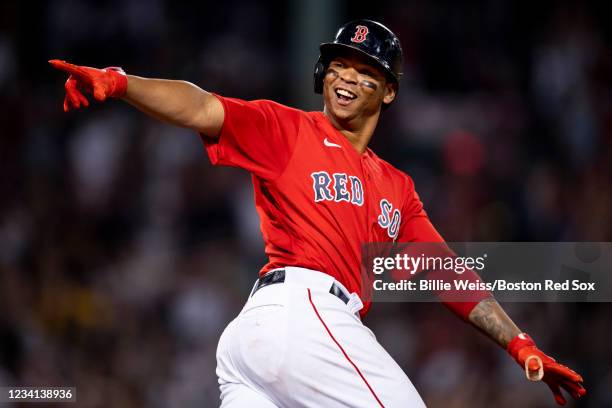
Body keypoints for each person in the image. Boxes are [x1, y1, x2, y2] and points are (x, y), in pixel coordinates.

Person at [50, 19, 585, 407]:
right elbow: (199, 105)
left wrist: (519, 343)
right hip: (299, 313)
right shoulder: (289, 130)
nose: (346, 77)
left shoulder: (397, 188)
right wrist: (121, 83)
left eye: (365, 69)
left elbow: (447, 274)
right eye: (338, 65)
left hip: (268, 342)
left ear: (391, 91)